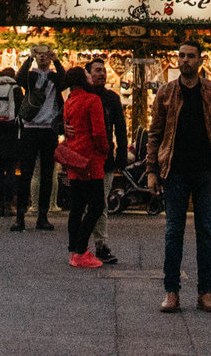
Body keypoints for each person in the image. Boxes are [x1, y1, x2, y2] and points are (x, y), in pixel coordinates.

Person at [153, 37, 211, 314]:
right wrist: (152, 171)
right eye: (182, 55)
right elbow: (155, 135)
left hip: (206, 171)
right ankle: (171, 291)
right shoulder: (165, 93)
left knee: (206, 233)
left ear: (200, 60)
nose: (185, 60)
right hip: (174, 171)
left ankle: (205, 292)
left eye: (190, 56)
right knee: (173, 232)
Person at [57, 64, 111, 267]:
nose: (91, 77)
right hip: (92, 160)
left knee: (77, 207)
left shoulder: (69, 101)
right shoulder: (93, 100)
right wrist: (106, 150)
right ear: (83, 79)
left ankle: (74, 250)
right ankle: (80, 250)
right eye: (88, 74)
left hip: (74, 159)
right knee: (97, 206)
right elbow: (99, 133)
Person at [83, 54, 128, 265]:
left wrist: (120, 155)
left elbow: (120, 127)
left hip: (105, 159)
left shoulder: (112, 98)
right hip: (83, 158)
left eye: (103, 70)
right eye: (97, 70)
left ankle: (100, 245)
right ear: (88, 74)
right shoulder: (81, 96)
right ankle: (81, 245)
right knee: (86, 204)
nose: (101, 73)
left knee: (100, 203)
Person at [14, 47, 64, 232]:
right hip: (30, 128)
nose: (43, 56)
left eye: (46, 53)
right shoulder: (30, 76)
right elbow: (18, 78)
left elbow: (64, 80)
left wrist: (57, 61)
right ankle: (20, 216)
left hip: (49, 129)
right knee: (25, 173)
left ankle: (43, 215)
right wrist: (29, 58)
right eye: (40, 54)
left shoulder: (54, 77)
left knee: (47, 173)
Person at [0, 65, 25, 224]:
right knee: (10, 171)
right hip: (12, 135)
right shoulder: (15, 90)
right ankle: (9, 204)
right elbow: (21, 112)